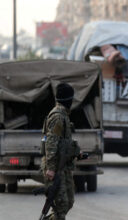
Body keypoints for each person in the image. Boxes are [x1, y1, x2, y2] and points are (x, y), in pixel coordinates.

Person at [41, 83, 79, 220]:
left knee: (69, 202)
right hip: (56, 167)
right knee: (61, 205)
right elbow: (51, 142)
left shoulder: (64, 115)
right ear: (68, 99)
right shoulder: (57, 116)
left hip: (63, 166)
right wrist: (51, 168)